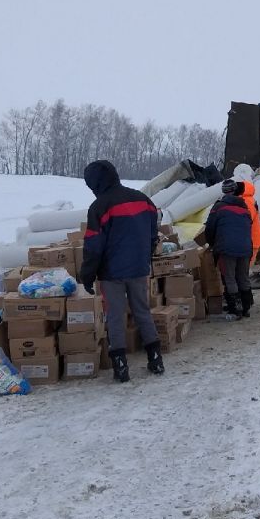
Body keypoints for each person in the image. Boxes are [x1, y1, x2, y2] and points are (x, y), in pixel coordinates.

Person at [79, 160, 164, 382]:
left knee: (115, 317)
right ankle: (155, 359)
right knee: (142, 312)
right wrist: (145, 255)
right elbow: (153, 232)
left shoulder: (100, 207)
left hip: (111, 274)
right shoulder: (143, 199)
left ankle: (121, 367)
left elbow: (93, 247)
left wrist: (87, 276)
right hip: (138, 268)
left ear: (95, 183)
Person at [205, 180, 256, 319]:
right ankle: (246, 307)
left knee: (230, 278)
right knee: (243, 277)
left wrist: (211, 243)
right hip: (245, 247)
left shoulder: (219, 207)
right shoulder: (245, 208)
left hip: (227, 248)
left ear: (224, 191)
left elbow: (209, 228)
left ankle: (235, 309)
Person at [240, 179, 260, 266]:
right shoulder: (250, 200)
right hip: (252, 239)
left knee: (245, 268)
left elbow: (246, 220)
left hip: (251, 240)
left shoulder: (247, 202)